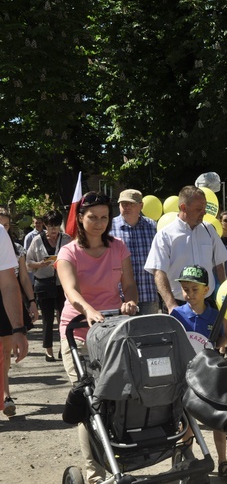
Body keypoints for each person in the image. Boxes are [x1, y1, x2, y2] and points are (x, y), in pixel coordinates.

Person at [56, 191, 139, 484]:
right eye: (93, 217)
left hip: (111, 331)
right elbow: (71, 290)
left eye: (104, 217)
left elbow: (129, 285)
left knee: (117, 398)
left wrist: (129, 302)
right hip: (77, 330)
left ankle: (118, 458)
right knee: (90, 399)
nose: (99, 223)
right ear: (80, 218)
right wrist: (89, 309)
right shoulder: (69, 252)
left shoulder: (119, 248)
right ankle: (94, 474)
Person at [170, 265, 227, 481]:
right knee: (187, 418)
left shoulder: (214, 315)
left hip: (207, 375)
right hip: (184, 374)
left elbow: (224, 337)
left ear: (207, 290)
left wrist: (221, 343)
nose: (189, 294)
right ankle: (187, 456)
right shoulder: (176, 314)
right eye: (185, 289)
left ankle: (222, 460)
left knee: (217, 418)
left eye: (194, 289)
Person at [145, 186, 227, 313]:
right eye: (199, 209)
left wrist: (225, 297)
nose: (204, 212)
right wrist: (171, 305)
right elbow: (158, 272)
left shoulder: (209, 230)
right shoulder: (165, 235)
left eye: (205, 208)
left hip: (208, 303)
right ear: (183, 208)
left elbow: (219, 264)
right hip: (178, 304)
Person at [0, 211, 37, 417]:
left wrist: (31, 302)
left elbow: (19, 280)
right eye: (1, 224)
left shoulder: (15, 248)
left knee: (4, 353)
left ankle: (5, 395)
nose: (4, 228)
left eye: (7, 225)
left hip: (5, 303)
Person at [26, 210, 72, 361]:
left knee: (63, 317)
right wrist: (40, 264)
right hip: (44, 283)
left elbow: (75, 258)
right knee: (47, 318)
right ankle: (49, 351)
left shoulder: (66, 239)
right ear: (45, 225)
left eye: (57, 226)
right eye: (51, 227)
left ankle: (63, 348)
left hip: (62, 283)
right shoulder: (36, 240)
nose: (54, 230)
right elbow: (28, 263)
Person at [110, 189, 159, 315]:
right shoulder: (109, 228)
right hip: (119, 297)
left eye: (131, 204)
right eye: (123, 204)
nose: (126, 207)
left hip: (148, 293)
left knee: (148, 334)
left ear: (141, 206)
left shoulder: (153, 227)